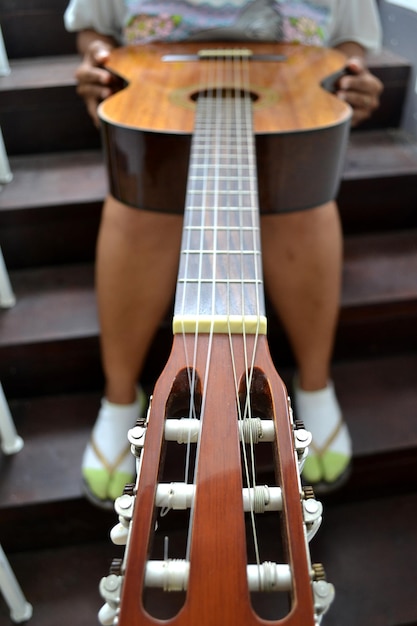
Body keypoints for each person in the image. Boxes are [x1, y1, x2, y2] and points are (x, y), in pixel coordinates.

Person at [64, 0, 383, 508]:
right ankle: (120, 392)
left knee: (304, 202)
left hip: (288, 101)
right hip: (159, 102)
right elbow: (92, 30)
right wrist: (101, 62)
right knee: (139, 206)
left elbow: (350, 42)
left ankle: (316, 381)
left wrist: (344, 77)